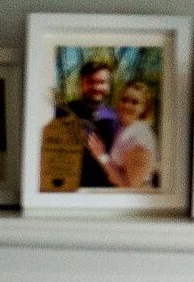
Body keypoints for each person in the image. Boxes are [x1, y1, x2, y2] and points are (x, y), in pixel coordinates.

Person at [89, 79, 158, 189]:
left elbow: (130, 186)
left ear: (144, 108)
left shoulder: (140, 135)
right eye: (124, 100)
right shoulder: (124, 127)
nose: (127, 105)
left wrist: (101, 156)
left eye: (135, 102)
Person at [64, 59, 119, 187]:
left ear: (108, 85)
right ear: (80, 83)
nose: (96, 87)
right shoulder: (63, 113)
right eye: (90, 82)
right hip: (71, 189)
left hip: (106, 190)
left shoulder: (116, 118)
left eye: (102, 82)